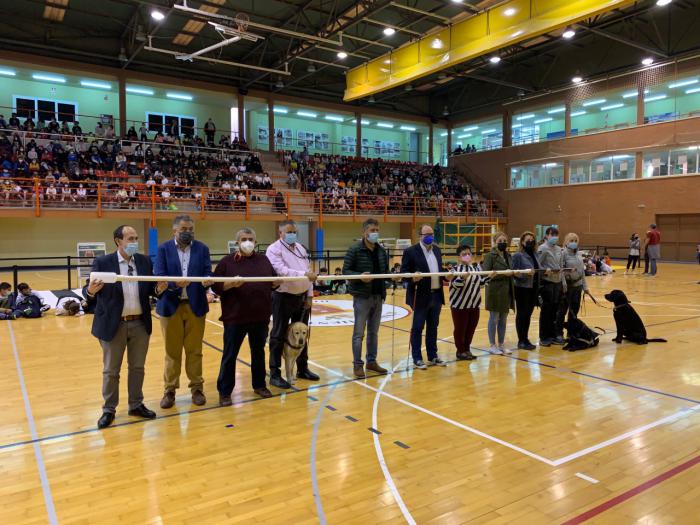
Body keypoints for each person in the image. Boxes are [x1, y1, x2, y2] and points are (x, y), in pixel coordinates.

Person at [85, 225, 167, 429]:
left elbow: (150, 291)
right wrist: (91, 292)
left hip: (140, 323)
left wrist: (159, 289)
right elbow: (91, 294)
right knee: (111, 371)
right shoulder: (103, 262)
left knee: (138, 368)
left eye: (136, 238)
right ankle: (109, 409)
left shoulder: (144, 261)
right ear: (117, 241)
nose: (134, 242)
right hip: (114, 325)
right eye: (130, 238)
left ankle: (136, 404)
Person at [154, 215, 213, 409]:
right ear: (174, 231)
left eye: (190, 229)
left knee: (195, 351)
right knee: (172, 352)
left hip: (195, 305)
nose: (187, 232)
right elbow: (159, 275)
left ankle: (197, 388)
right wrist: (173, 283)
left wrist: (207, 282)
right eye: (183, 229)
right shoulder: (163, 248)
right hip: (170, 306)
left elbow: (207, 272)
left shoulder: (202, 248)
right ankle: (169, 390)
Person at [213, 228, 276, 403]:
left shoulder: (264, 260)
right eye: (244, 239)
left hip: (260, 316)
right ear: (237, 242)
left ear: (255, 242)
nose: (247, 242)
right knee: (230, 355)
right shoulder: (226, 262)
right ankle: (225, 392)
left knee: (258, 353)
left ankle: (259, 385)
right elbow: (215, 287)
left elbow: (272, 281)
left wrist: (276, 284)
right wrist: (230, 284)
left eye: (250, 239)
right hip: (235, 318)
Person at [266, 220, 320, 388]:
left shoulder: (301, 248)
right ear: (280, 233)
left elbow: (309, 272)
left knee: (303, 334)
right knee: (278, 334)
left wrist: (309, 295)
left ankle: (302, 368)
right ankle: (275, 373)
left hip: (301, 297)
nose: (292, 235)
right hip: (283, 297)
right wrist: (304, 274)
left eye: (294, 231)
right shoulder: (273, 249)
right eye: (289, 232)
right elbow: (281, 270)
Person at [343, 218, 392, 378]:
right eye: (372, 230)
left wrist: (395, 277)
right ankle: (358, 365)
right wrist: (359, 276)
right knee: (359, 333)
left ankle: (371, 362)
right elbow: (346, 272)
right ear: (364, 232)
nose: (375, 233)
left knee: (374, 332)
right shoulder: (354, 250)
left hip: (379, 296)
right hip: (362, 297)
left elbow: (386, 272)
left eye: (377, 230)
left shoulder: (381, 251)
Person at [400, 224, 447, 369]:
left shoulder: (437, 250)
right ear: (419, 236)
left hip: (436, 295)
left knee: (433, 327)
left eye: (432, 234)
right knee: (418, 327)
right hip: (420, 296)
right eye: (427, 234)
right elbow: (403, 273)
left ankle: (433, 355)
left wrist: (447, 275)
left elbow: (439, 270)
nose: (430, 237)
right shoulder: (410, 251)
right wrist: (412, 278)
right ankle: (417, 358)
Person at [448, 244, 485, 360]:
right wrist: (462, 278)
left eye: (469, 253)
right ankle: (460, 351)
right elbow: (455, 286)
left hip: (474, 305)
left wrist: (491, 276)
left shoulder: (475, 269)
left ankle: (467, 349)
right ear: (458, 257)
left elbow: (482, 284)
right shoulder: (454, 271)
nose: (467, 256)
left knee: (471, 329)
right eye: (464, 254)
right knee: (460, 329)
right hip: (459, 306)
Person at [481, 232, 514, 355]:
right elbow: (486, 273)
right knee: (494, 318)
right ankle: (492, 345)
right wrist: (503, 273)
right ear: (495, 242)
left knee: (503, 319)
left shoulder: (508, 255)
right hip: (494, 290)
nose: (503, 243)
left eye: (505, 240)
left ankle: (501, 344)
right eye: (500, 240)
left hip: (506, 291)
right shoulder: (490, 255)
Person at [557, 233, 595, 339]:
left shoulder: (578, 254)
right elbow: (561, 270)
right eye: (571, 240)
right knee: (562, 311)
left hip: (578, 287)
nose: (573, 243)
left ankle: (571, 332)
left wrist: (585, 287)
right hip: (567, 286)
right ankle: (559, 333)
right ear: (566, 241)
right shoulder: (563, 253)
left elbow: (582, 272)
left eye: (575, 240)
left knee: (574, 311)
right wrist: (563, 285)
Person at [537, 226, 565, 347]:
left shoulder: (559, 249)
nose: (555, 237)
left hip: (557, 283)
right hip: (547, 282)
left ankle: (553, 335)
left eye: (556, 235)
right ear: (547, 235)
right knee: (546, 310)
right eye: (552, 234)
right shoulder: (542, 248)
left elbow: (561, 266)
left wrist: (563, 282)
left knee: (555, 310)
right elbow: (538, 265)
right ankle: (544, 337)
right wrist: (545, 270)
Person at [511, 231, 539, 350]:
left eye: (532, 240)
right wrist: (526, 274)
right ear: (522, 242)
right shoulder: (518, 255)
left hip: (534, 288)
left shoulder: (535, 254)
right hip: (522, 288)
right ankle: (521, 340)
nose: (530, 242)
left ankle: (526, 338)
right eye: (528, 240)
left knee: (528, 314)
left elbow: (537, 268)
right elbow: (514, 272)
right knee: (522, 314)